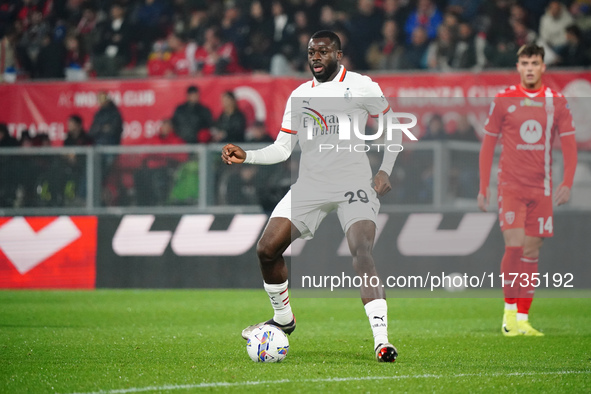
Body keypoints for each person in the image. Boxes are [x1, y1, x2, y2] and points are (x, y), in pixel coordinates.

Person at [221, 30, 401, 362]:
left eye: (322, 52)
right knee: (266, 249)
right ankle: (283, 320)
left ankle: (381, 341)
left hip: (354, 184)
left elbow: (392, 125)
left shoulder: (362, 85)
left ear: (338, 54)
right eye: (310, 52)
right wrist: (248, 155)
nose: (315, 57)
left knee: (362, 250)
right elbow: (282, 149)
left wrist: (385, 168)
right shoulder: (299, 96)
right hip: (311, 186)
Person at [478, 43, 578, 337]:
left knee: (532, 252)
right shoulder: (504, 99)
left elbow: (570, 146)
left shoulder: (556, 102)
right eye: (525, 63)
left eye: (535, 62)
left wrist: (567, 182)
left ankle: (523, 319)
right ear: (518, 67)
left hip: (542, 189)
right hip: (511, 186)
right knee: (514, 245)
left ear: (543, 66)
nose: (530, 68)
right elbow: (488, 145)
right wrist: (484, 186)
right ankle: (508, 314)